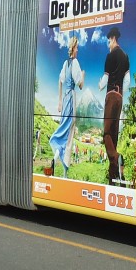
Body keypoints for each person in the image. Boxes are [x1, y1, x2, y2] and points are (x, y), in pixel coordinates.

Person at [49, 35, 83, 176]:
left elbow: (60, 81)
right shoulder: (75, 63)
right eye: (77, 48)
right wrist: (83, 75)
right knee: (69, 134)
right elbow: (80, 85)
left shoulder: (65, 63)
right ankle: (64, 172)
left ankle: (56, 159)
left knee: (64, 130)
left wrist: (59, 101)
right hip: (72, 97)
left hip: (65, 98)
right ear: (74, 48)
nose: (78, 50)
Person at [100, 27, 130, 184]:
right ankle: (113, 177)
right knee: (114, 137)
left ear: (112, 38)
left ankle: (117, 158)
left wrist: (100, 85)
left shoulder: (110, 56)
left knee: (106, 133)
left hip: (111, 95)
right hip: (120, 97)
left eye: (108, 41)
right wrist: (121, 95)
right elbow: (128, 82)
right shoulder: (125, 56)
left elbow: (104, 81)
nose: (107, 44)